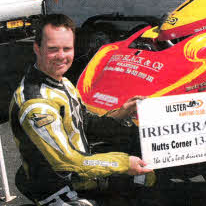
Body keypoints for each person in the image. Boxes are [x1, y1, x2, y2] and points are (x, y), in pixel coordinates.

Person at [9, 14, 157, 206]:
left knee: (148, 179)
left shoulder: (61, 82)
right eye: (53, 49)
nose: (62, 56)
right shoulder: (36, 104)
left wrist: (123, 111)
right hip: (55, 187)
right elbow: (67, 163)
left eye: (67, 48)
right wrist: (124, 163)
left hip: (81, 173)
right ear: (37, 48)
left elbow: (85, 122)